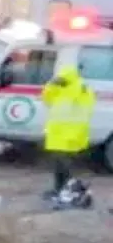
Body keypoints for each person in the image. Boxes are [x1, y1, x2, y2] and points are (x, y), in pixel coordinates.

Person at [41, 65, 95, 196]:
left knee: (65, 164)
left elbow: (83, 105)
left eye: (63, 79)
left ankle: (68, 189)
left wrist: (64, 83)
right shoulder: (61, 89)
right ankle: (59, 189)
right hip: (58, 134)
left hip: (71, 134)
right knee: (58, 164)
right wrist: (51, 85)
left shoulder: (80, 88)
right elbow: (47, 99)